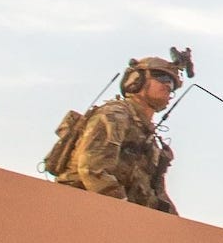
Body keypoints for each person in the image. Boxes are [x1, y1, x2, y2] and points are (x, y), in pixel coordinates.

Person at [50, 56, 181, 213]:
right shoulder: (114, 115)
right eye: (162, 77)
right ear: (136, 80)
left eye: (172, 84)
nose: (167, 85)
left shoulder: (151, 139)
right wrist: (123, 211)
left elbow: (155, 192)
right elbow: (93, 170)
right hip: (82, 208)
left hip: (124, 218)